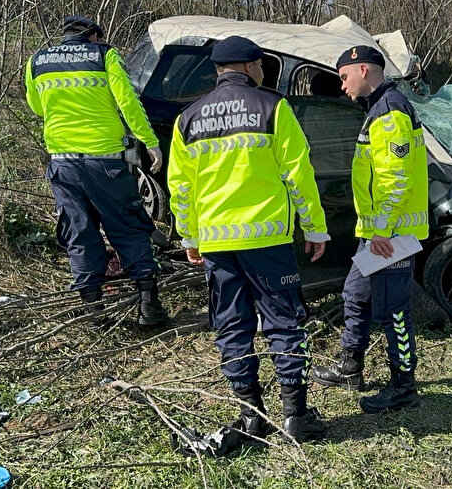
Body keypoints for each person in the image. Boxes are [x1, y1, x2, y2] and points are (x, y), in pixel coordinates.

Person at [166, 35, 329, 454]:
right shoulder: (273, 107)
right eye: (262, 66)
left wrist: (190, 236)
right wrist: (315, 229)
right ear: (252, 66)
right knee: (284, 321)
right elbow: (298, 173)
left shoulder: (188, 118)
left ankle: (252, 416)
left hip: (218, 244)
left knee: (232, 325)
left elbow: (179, 188)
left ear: (218, 71)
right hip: (267, 239)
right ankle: (295, 414)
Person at [25, 15, 169, 327]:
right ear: (93, 35)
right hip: (106, 161)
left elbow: (37, 107)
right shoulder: (105, 55)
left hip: (63, 163)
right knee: (128, 227)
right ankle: (148, 309)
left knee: (79, 232)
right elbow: (128, 102)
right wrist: (149, 141)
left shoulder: (37, 61)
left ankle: (94, 314)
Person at [312, 45, 428, 414]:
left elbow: (397, 179)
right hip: (378, 233)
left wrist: (381, 229)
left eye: (344, 77)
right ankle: (350, 369)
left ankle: (403, 386)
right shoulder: (379, 108)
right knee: (355, 294)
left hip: (391, 236)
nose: (343, 86)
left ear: (363, 69)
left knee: (394, 310)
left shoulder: (390, 111)